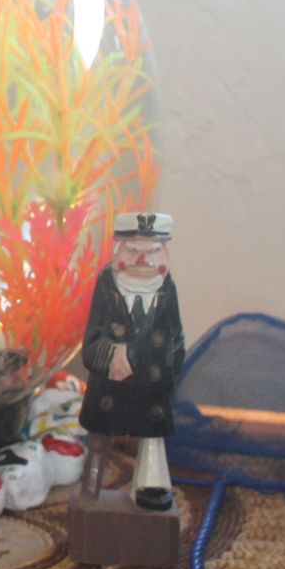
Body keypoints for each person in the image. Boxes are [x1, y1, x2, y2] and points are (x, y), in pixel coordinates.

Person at [79, 212, 184, 511]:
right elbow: (91, 343)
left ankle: (151, 483)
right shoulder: (106, 287)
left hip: (150, 384)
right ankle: (91, 485)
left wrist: (169, 372)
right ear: (117, 252)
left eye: (152, 252)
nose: (142, 260)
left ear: (165, 254)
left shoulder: (167, 290)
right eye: (133, 251)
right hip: (111, 385)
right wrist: (111, 354)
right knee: (99, 439)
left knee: (153, 437)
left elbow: (176, 339)